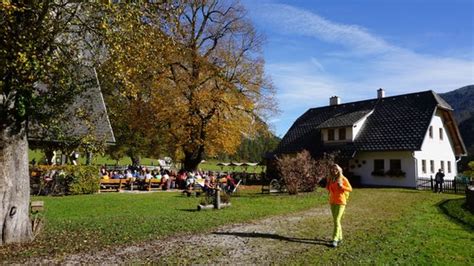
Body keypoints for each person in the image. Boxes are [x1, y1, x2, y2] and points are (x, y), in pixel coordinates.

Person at [325, 164, 352, 248]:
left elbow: (350, 189)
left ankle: (335, 239)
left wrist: (342, 186)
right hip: (332, 202)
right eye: (332, 169)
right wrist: (328, 185)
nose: (334, 171)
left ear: (339, 170)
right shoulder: (331, 179)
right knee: (336, 221)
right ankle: (340, 237)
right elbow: (329, 189)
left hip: (341, 202)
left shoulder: (343, 179)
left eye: (335, 169)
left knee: (337, 220)